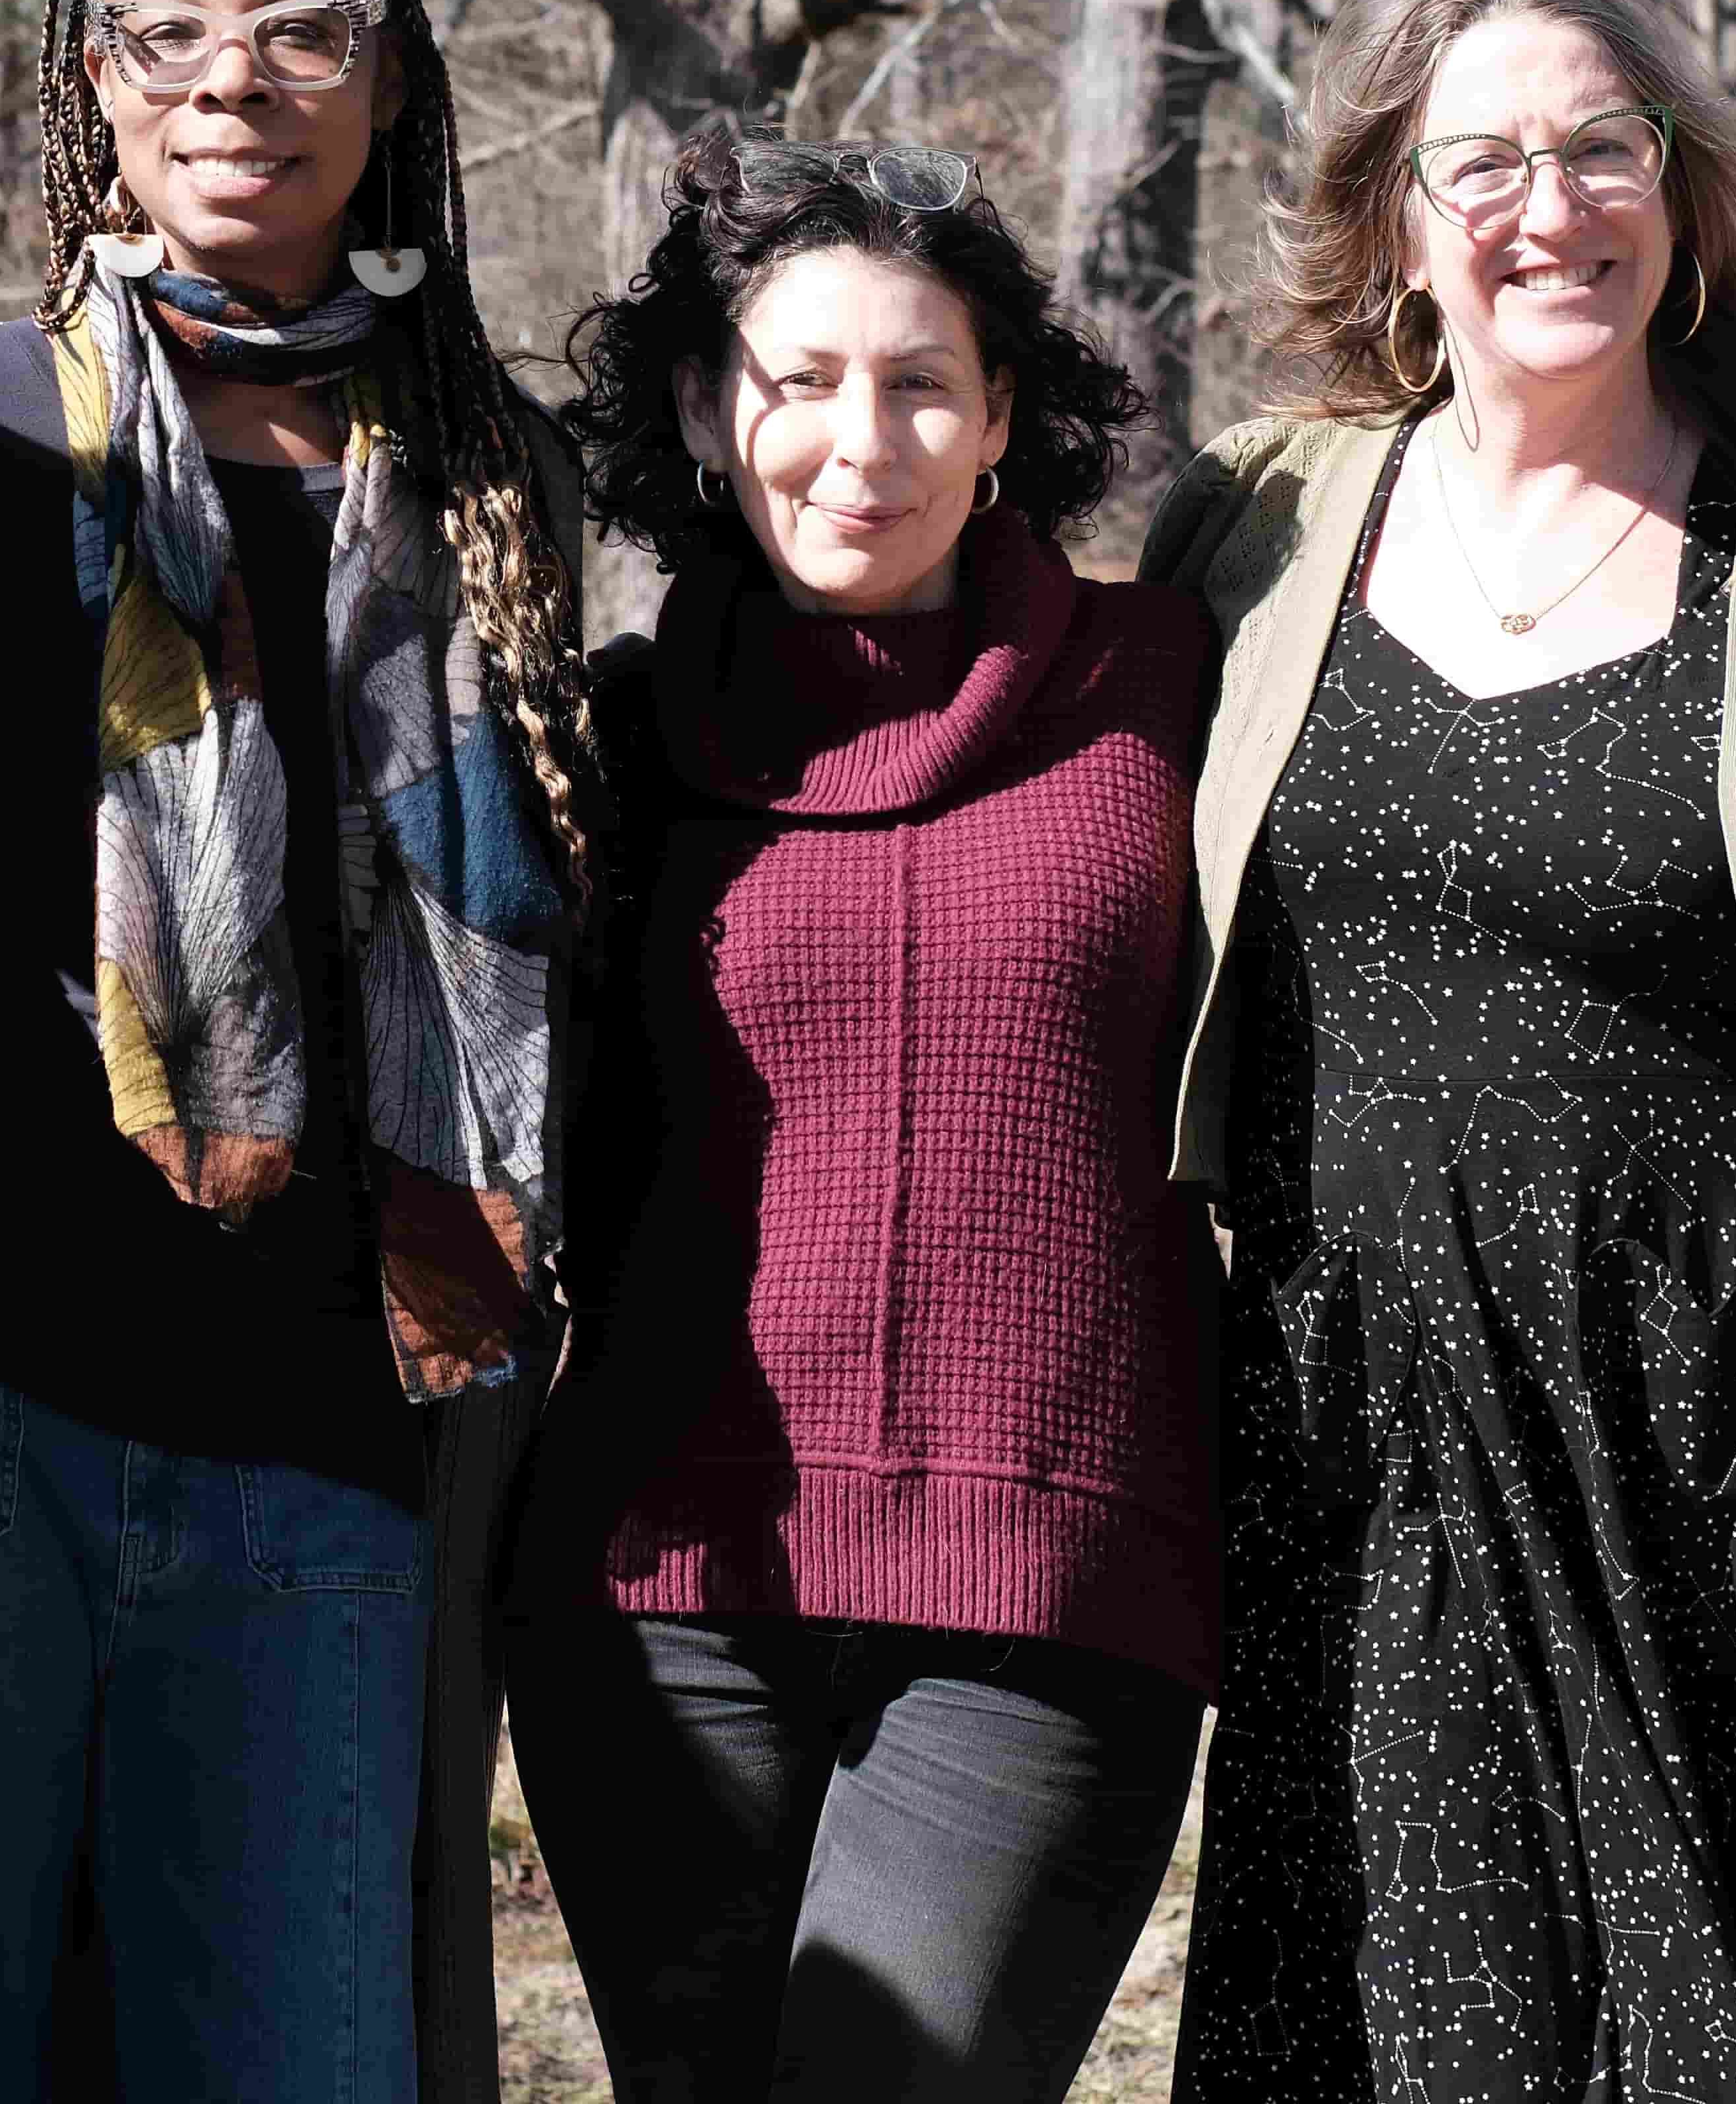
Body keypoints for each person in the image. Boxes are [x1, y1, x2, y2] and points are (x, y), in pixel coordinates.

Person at [1145, 0, 1736, 2101]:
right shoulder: (1252, 531)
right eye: (1481, 164)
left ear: (1685, 197)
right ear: (1398, 222)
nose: (1548, 208)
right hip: (1356, 1468)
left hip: (1734, 1476)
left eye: (1603, 150)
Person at [0, 0, 594, 2104]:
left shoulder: (492, 471)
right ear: (95, 84)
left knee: (303, 2056)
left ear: (392, 78)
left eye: (305, 25)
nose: (237, 80)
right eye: (172, 31)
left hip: (333, 1429)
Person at [503, 127, 1219, 2104]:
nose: (863, 442)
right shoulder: (598, 739)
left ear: (1002, 421)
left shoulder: (1168, 693)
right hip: (659, 1598)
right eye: (801, 380)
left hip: (1046, 1586)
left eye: (922, 384)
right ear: (704, 412)